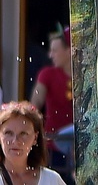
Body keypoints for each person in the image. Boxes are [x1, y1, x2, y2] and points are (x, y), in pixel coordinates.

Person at [29, 28, 73, 183]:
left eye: (55, 50)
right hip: (54, 148)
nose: (50, 55)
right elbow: (35, 103)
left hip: (81, 147)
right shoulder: (47, 74)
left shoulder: (86, 76)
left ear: (69, 51)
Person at [0, 101, 66, 184]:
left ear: (35, 138)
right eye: (8, 133)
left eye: (23, 133)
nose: (15, 141)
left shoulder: (51, 179)